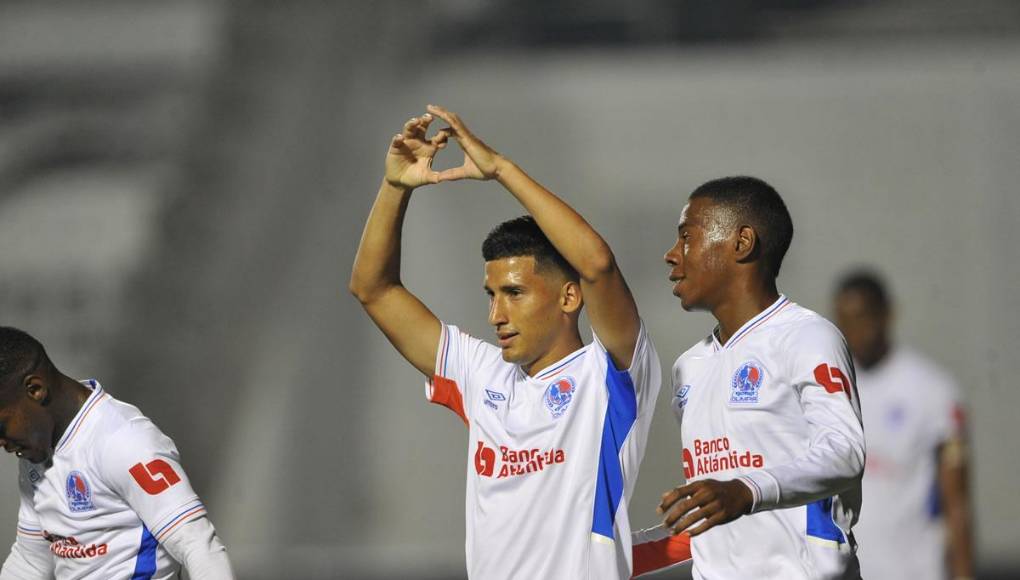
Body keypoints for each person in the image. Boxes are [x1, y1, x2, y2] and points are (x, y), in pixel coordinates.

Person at [349, 105, 661, 579]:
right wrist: (395, 187)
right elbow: (373, 289)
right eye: (491, 295)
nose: (496, 314)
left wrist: (500, 170)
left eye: (514, 293)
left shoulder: (610, 375)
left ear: (569, 296)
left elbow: (596, 263)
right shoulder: (483, 374)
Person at [653, 176, 866, 579]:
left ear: (742, 243)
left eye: (686, 237)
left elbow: (845, 451)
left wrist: (748, 489)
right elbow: (717, 523)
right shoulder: (689, 366)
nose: (671, 254)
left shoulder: (806, 336)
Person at [0, 327, 235, 579]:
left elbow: (198, 545)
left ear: (35, 389)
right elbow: (31, 561)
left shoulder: (124, 439)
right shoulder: (36, 450)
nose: (1, 442)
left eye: (1, 426)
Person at [833, 270, 974, 580]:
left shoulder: (934, 392)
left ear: (887, 314)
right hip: (847, 571)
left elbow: (956, 501)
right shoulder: (831, 389)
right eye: (845, 321)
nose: (854, 331)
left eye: (862, 318)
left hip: (913, 570)